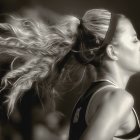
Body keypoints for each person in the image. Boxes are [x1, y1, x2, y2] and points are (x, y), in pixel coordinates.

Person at [0, 8, 140, 140]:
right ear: (112, 51)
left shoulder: (88, 99)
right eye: (134, 40)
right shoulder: (119, 98)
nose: (139, 44)